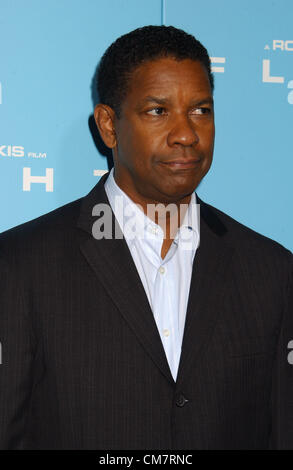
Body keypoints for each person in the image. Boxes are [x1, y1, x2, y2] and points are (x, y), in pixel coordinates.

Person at [0, 25, 292, 450]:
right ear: (108, 126)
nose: (186, 133)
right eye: (158, 111)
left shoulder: (270, 271)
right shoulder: (20, 266)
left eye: (201, 110)